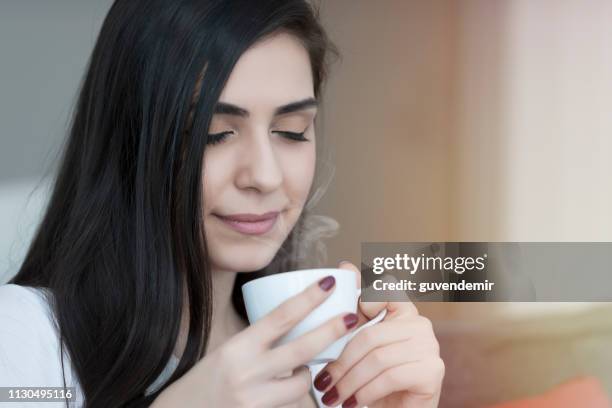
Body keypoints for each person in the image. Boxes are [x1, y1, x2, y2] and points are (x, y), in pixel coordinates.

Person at [0, 0, 444, 407]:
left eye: (291, 130)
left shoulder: (326, 364)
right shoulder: (25, 339)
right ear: (130, 141)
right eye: (213, 134)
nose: (265, 177)